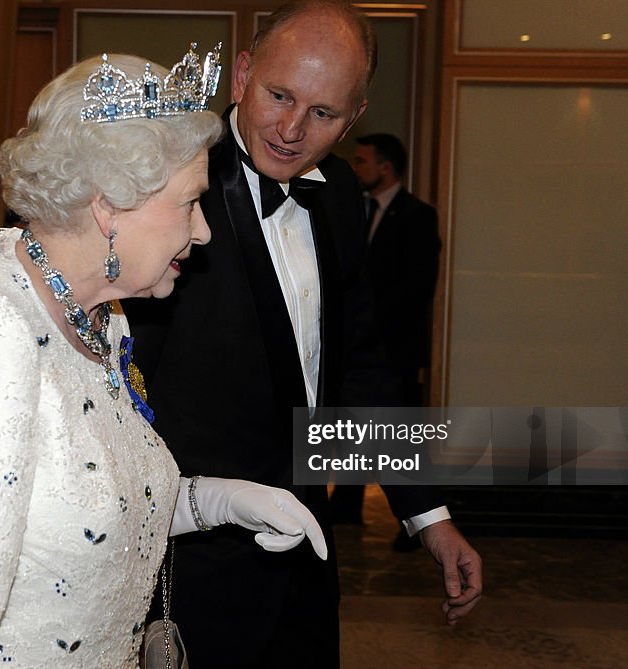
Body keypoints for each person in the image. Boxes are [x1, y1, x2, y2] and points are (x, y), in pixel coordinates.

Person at [0, 47, 328, 668]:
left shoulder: (102, 317)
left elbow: (85, 513)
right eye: (189, 202)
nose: (204, 229)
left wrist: (216, 502)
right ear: (107, 204)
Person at [124, 2, 483, 666]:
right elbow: (121, 384)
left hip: (307, 563)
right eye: (279, 95)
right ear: (242, 75)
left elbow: (360, 366)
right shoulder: (165, 186)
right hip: (188, 566)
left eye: (322, 114)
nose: (291, 130)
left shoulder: (340, 192)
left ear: (355, 116)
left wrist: (428, 515)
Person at [330, 133, 443, 537]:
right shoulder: (352, 210)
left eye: (363, 161)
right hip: (356, 348)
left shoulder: (417, 215)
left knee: (399, 433)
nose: (356, 168)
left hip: (394, 347)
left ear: (386, 168)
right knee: (351, 428)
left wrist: (374, 326)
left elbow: (415, 288)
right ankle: (345, 506)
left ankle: (414, 526)